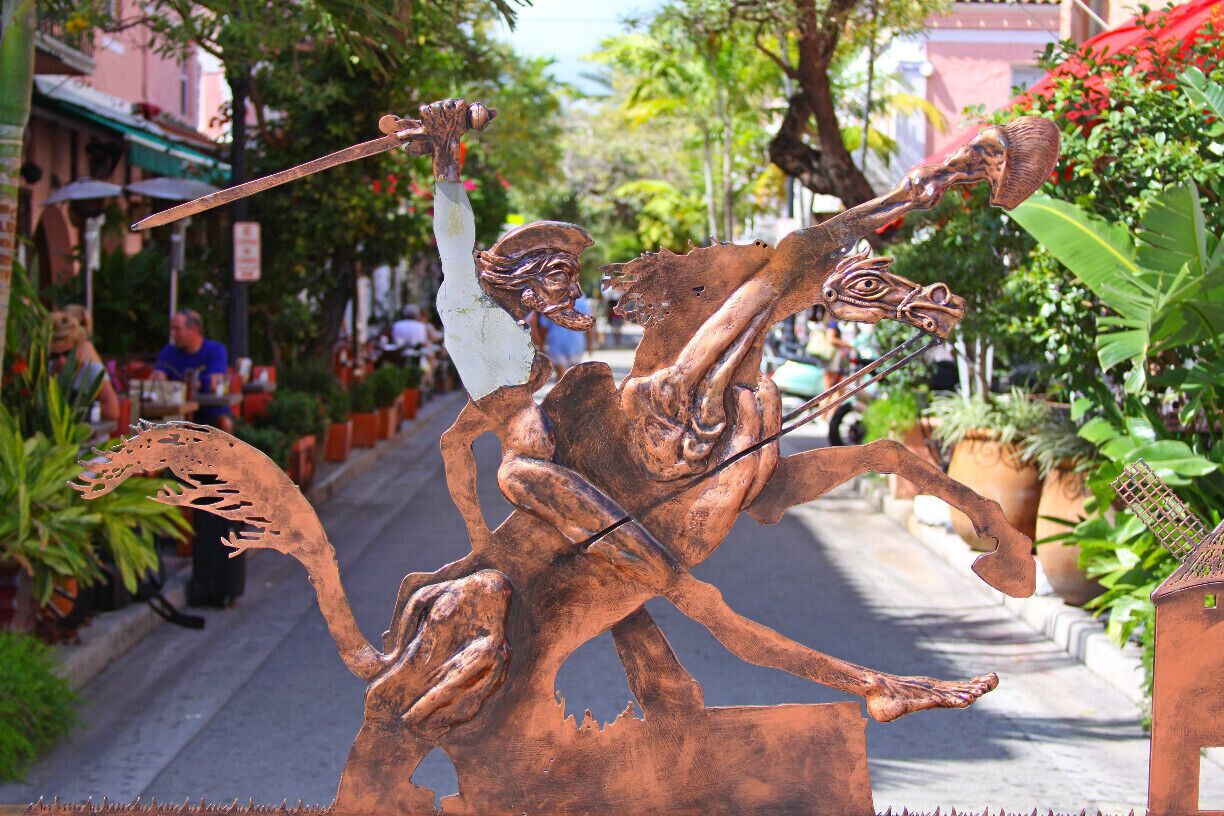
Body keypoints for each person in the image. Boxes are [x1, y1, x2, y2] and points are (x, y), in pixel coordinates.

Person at [152, 309, 233, 432]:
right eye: (171, 329)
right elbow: (157, 378)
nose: (172, 334)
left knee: (224, 423)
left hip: (209, 414)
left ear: (194, 330)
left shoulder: (215, 350)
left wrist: (177, 383)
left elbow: (213, 384)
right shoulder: (168, 351)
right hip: (176, 415)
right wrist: (158, 377)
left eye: (177, 329)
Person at [49, 311, 119, 422]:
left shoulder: (93, 371)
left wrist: (83, 414)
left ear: (79, 348)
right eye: (54, 356)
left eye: (67, 354)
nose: (61, 361)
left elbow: (113, 411)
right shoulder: (46, 370)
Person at [535, 293, 592, 380]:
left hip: (557, 341)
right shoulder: (581, 299)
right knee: (574, 374)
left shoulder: (552, 300)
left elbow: (544, 326)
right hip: (576, 341)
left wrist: (542, 344)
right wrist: (590, 344)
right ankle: (572, 393)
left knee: (560, 376)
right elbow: (588, 323)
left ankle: (561, 393)